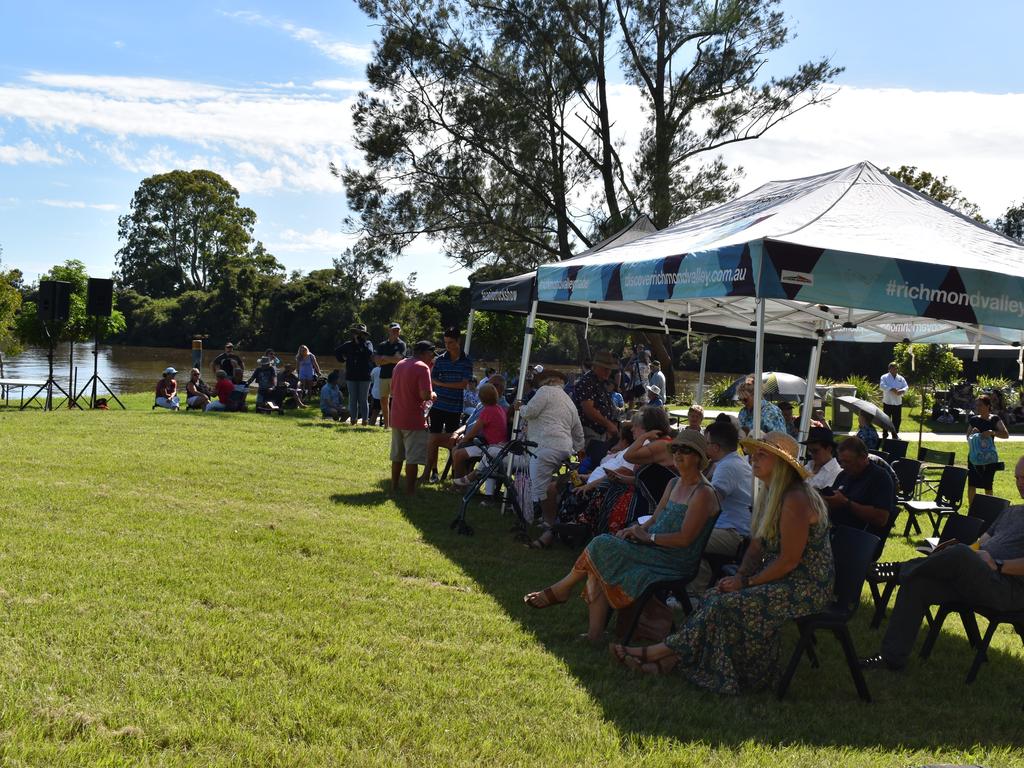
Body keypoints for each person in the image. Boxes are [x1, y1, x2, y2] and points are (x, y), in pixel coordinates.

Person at [609, 431, 834, 693]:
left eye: (762, 455)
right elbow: (756, 546)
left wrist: (747, 582)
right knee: (714, 594)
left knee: (725, 602)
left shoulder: (795, 498)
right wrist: (739, 577)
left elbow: (788, 562)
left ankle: (660, 653)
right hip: (781, 577)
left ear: (781, 463)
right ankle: (670, 659)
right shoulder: (771, 493)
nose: (753, 459)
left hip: (806, 586)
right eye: (754, 453)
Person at [523, 430, 719, 644]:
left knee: (602, 547)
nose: (679, 455)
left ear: (699, 457)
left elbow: (684, 540)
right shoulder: (674, 484)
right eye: (676, 450)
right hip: (653, 546)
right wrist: (634, 530)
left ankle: (565, 593)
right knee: (602, 554)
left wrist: (647, 537)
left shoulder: (703, 493)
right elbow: (654, 519)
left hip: (674, 559)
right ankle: (591, 631)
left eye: (686, 451)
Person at [861, 456, 1024, 672]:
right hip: (978, 579)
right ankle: (891, 659)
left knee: (959, 553)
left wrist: (998, 564)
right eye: (1017, 477)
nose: (1019, 483)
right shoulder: (1012, 511)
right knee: (917, 584)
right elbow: (981, 542)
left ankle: (899, 569)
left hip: (1007, 589)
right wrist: (961, 550)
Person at [690, 420, 752, 593]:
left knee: (691, 538)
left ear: (716, 447)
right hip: (735, 529)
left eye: (706, 443)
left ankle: (694, 592)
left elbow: (709, 504)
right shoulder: (732, 462)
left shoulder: (727, 467)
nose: (704, 447)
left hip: (734, 533)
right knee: (688, 533)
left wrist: (694, 471)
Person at [517, 369, 585, 526]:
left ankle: (546, 522)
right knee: (549, 485)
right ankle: (547, 518)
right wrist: (580, 449)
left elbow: (530, 412)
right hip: (564, 448)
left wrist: (520, 408)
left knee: (540, 489)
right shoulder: (568, 400)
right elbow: (578, 430)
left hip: (545, 446)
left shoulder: (544, 391)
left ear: (545, 381)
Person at [424, 327, 473, 483]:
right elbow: (432, 380)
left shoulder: (467, 361)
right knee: (433, 439)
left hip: (454, 408)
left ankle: (454, 471)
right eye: (445, 342)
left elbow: (463, 384)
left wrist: (442, 384)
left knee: (453, 441)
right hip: (437, 406)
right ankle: (434, 472)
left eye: (450, 342)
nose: (447, 346)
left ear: (458, 341)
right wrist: (445, 383)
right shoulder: (439, 360)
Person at [823, 436, 895, 541]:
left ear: (863, 457)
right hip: (835, 531)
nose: (843, 466)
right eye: (841, 462)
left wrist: (846, 503)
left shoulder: (880, 478)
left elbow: (881, 518)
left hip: (859, 539)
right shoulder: (844, 475)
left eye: (847, 462)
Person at [390, 341, 437, 495]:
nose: (432, 357)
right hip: (413, 419)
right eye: (431, 354)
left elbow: (393, 388)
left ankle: (394, 486)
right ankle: (410, 491)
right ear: (424, 353)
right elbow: (425, 395)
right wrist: (433, 395)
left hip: (396, 416)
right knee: (413, 458)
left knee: (397, 455)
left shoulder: (400, 364)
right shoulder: (423, 368)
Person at [452, 384, 508, 486]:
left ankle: (459, 484)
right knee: (457, 450)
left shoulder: (487, 410)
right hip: (498, 446)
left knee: (458, 454)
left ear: (481, 398)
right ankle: (462, 481)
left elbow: (474, 431)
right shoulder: (499, 408)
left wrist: (464, 439)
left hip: (491, 448)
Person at [572, 350, 620, 451]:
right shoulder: (587, 382)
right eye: (605, 369)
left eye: (610, 369)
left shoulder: (601, 382)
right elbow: (589, 409)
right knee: (591, 461)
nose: (608, 372)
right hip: (590, 431)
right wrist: (609, 425)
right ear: (596, 367)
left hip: (600, 431)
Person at [966, 393, 1010, 503]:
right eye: (977, 405)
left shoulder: (994, 419)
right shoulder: (974, 419)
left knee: (988, 484)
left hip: (989, 457)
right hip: (974, 456)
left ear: (988, 406)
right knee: (972, 484)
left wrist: (992, 432)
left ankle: (988, 509)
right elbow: (968, 437)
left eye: (980, 405)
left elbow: (1006, 434)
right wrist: (973, 433)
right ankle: (972, 509)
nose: (978, 407)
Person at [335, 324, 376, 426]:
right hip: (351, 376)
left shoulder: (368, 343)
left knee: (363, 399)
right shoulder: (348, 345)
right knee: (352, 399)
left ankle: (365, 421)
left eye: (361, 334)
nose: (358, 335)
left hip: (364, 376)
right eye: (357, 333)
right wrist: (342, 359)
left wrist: (360, 343)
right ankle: (353, 420)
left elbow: (370, 353)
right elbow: (337, 351)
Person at [374, 322, 407, 428]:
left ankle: (395, 425)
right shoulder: (382, 345)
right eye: (393, 330)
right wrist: (390, 359)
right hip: (383, 376)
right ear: (389, 331)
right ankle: (386, 425)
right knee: (384, 401)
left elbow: (398, 359)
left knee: (396, 401)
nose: (395, 332)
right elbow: (377, 362)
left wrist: (385, 357)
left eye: (397, 330)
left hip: (396, 376)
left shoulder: (401, 344)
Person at [801, 426, 842, 490]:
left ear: (829, 449)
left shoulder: (836, 473)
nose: (811, 454)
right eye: (810, 451)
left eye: (815, 451)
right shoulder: (808, 466)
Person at [879, 362, 909, 439]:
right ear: (889, 369)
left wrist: (902, 391)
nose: (895, 370)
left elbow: (906, 387)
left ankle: (895, 435)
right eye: (893, 368)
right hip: (887, 402)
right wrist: (892, 389)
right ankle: (885, 435)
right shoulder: (884, 377)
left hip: (898, 402)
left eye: (896, 368)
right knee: (885, 419)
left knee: (897, 420)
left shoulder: (901, 378)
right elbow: (882, 386)